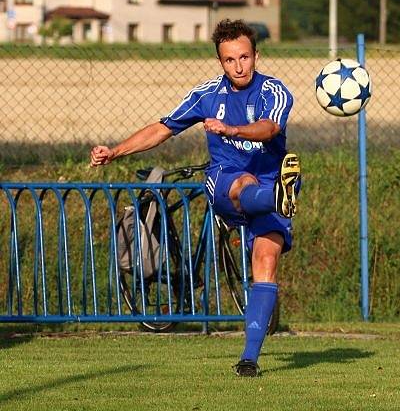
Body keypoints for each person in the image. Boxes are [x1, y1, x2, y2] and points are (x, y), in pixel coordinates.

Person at [90, 19, 300, 378]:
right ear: (221, 62)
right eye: (230, 60)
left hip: (271, 177)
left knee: (265, 259)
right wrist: (116, 151)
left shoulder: (274, 91)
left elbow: (270, 128)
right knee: (243, 181)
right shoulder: (206, 95)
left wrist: (232, 129)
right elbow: (163, 128)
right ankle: (273, 198)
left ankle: (249, 358)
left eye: (245, 57)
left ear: (256, 55)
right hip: (225, 180)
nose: (239, 66)